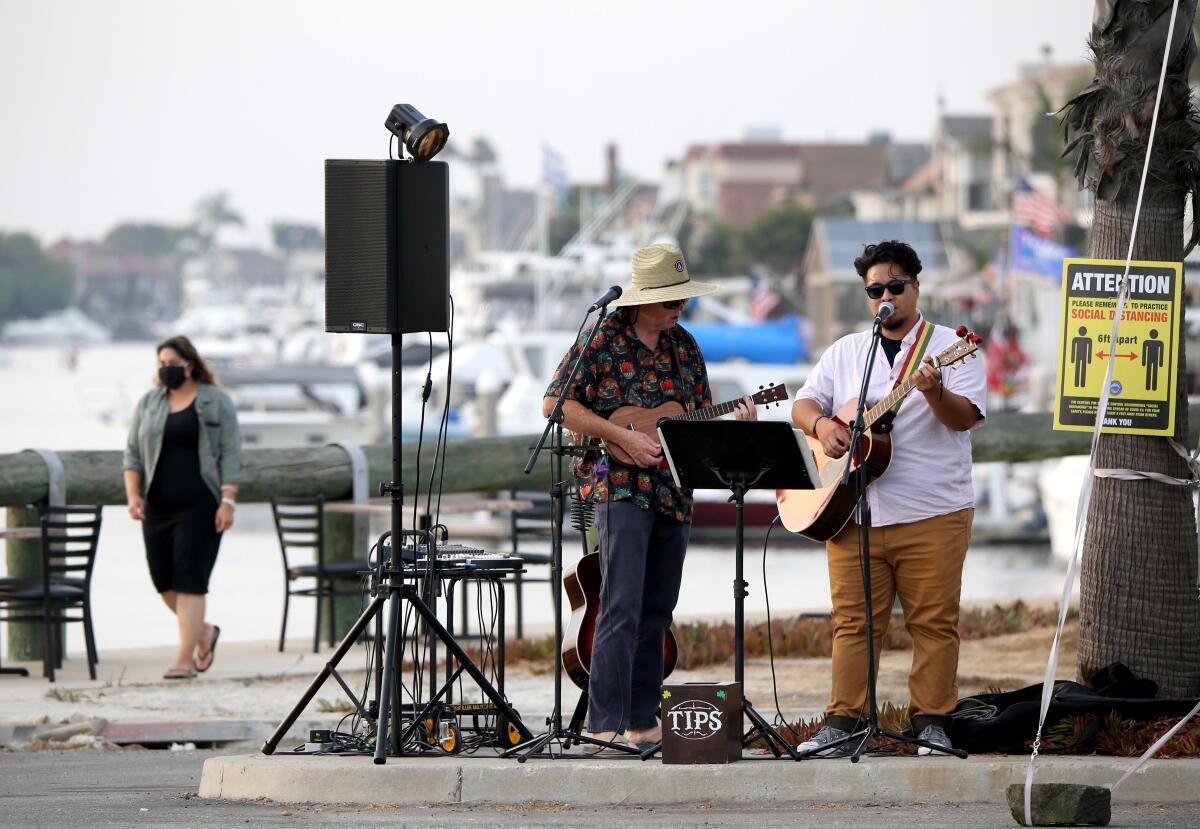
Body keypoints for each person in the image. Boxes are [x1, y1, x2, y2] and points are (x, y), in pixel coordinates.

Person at [543, 243, 757, 749]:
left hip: (673, 491)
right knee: (619, 605)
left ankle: (642, 721)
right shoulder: (601, 340)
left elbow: (698, 416)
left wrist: (735, 423)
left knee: (658, 609)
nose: (678, 307)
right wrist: (620, 436)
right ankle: (604, 722)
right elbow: (556, 404)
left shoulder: (685, 347)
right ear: (642, 299)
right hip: (617, 488)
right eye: (669, 298)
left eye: (682, 298)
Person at [790, 240, 986, 756]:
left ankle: (931, 721)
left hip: (934, 510)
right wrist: (822, 426)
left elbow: (965, 418)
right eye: (875, 289)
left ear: (916, 288)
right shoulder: (847, 350)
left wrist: (933, 391)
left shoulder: (951, 345)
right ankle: (842, 721)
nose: (886, 297)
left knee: (933, 623)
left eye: (895, 287)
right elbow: (804, 404)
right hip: (852, 511)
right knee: (852, 622)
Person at [123, 336, 242, 680]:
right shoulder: (149, 403)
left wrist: (228, 501)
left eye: (172, 363)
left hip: (201, 505)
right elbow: (132, 454)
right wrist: (133, 496)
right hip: (157, 506)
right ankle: (203, 632)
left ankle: (183, 660)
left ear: (190, 364)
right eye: (161, 363)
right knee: (163, 581)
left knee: (191, 582)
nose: (166, 369)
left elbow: (232, 454)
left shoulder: (216, 401)